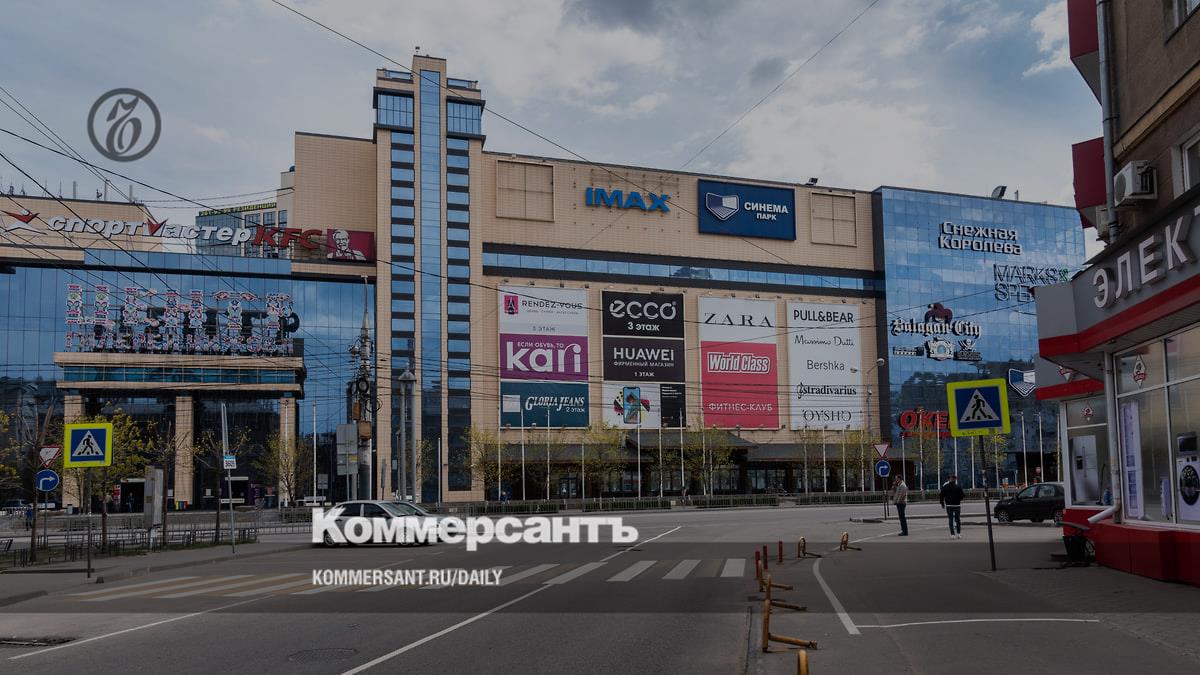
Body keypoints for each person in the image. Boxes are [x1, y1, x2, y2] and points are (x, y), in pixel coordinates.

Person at [940, 474, 965, 538]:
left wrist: (942, 504)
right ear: (955, 479)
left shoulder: (945, 487)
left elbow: (941, 496)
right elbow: (962, 496)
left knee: (950, 519)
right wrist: (958, 500)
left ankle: (952, 534)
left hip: (949, 505)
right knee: (958, 519)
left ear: (949, 479)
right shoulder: (958, 487)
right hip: (957, 505)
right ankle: (958, 533)